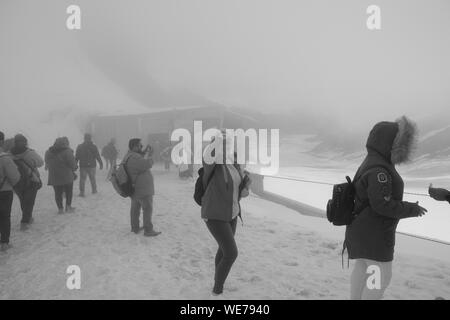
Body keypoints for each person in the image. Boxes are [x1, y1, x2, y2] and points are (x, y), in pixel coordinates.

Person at [345, 116, 427, 300]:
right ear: (389, 143)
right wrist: (411, 209)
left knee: (364, 269)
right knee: (380, 276)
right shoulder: (380, 170)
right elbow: (382, 204)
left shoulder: (370, 162)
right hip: (375, 236)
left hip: (361, 231)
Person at [201, 133, 251, 295]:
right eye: (221, 144)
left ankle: (218, 281)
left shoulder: (234, 165)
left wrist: (246, 184)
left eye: (227, 143)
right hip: (215, 214)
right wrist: (218, 138)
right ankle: (218, 289)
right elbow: (209, 156)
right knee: (231, 253)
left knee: (223, 250)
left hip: (232, 214)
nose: (225, 146)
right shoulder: (212, 165)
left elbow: (240, 193)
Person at [123, 138, 161, 237]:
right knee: (147, 208)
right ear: (134, 147)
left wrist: (144, 152)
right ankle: (148, 230)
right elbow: (146, 164)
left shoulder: (129, 155)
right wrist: (151, 155)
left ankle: (135, 227)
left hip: (135, 188)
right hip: (142, 188)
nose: (141, 147)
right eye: (140, 146)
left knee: (135, 209)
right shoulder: (134, 157)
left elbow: (139, 161)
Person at [10, 134, 44, 230]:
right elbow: (41, 162)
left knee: (23, 200)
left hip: (16, 182)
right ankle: (25, 221)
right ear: (25, 142)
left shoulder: (9, 154)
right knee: (30, 201)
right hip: (31, 179)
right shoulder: (30, 153)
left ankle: (27, 217)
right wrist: (33, 164)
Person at [45, 137, 77, 214]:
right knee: (69, 192)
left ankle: (60, 209)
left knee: (57, 193)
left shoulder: (48, 152)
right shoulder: (67, 151)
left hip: (54, 176)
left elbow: (47, 161)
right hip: (67, 176)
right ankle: (68, 207)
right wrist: (75, 167)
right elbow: (72, 164)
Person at [0, 131, 20, 252]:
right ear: (1, 141)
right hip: (4, 191)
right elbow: (15, 177)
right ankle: (4, 242)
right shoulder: (4, 158)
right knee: (4, 216)